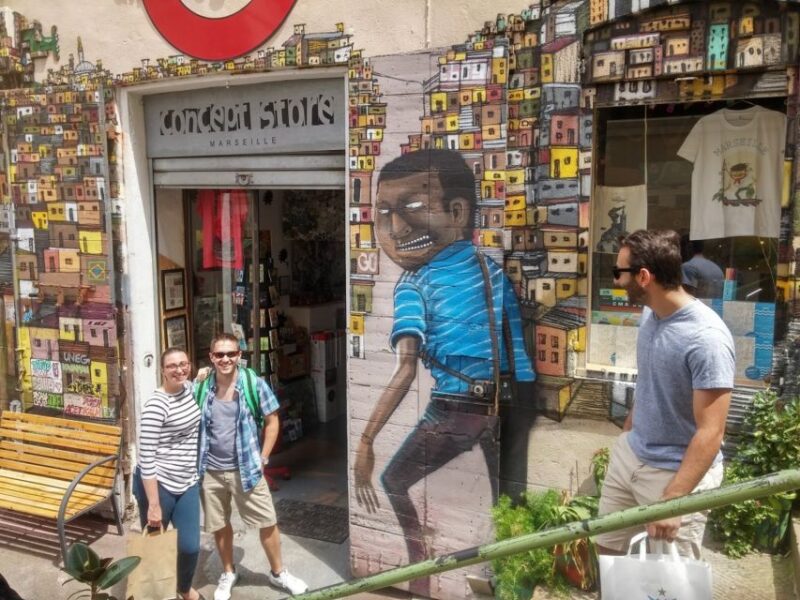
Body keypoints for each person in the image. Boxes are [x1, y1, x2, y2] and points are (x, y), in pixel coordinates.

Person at [353, 149, 537, 589]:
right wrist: (514, 410)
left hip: (455, 409)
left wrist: (365, 437)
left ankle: (418, 568)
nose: (395, 229)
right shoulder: (491, 270)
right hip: (511, 401)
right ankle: (514, 587)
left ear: (458, 212)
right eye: (383, 214)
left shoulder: (413, 285)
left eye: (411, 210)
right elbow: (517, 352)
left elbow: (405, 371)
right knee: (511, 504)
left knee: (394, 480)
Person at [595, 229, 735, 559]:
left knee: (669, 582)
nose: (615, 280)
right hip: (632, 456)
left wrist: (674, 499)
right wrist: (627, 436)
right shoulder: (651, 314)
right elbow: (651, 382)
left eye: (619, 272)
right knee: (607, 554)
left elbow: (711, 431)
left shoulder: (706, 338)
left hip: (674, 475)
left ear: (643, 277)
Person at [197, 333, 308, 599]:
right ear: (211, 357)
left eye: (230, 354)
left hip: (246, 468)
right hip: (210, 470)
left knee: (267, 521)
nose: (225, 359)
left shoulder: (253, 384)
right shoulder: (201, 387)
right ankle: (229, 571)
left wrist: (264, 456)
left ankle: (279, 572)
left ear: (239, 356)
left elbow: (272, 420)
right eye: (219, 354)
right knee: (220, 524)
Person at [133, 347, 201, 600]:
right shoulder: (156, 405)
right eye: (172, 366)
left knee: (190, 547)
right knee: (155, 548)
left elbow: (202, 377)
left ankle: (183, 588)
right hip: (159, 485)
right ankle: (156, 593)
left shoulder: (191, 389)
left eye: (184, 364)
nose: (179, 369)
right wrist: (153, 505)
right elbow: (146, 457)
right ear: (162, 370)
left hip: (188, 482)